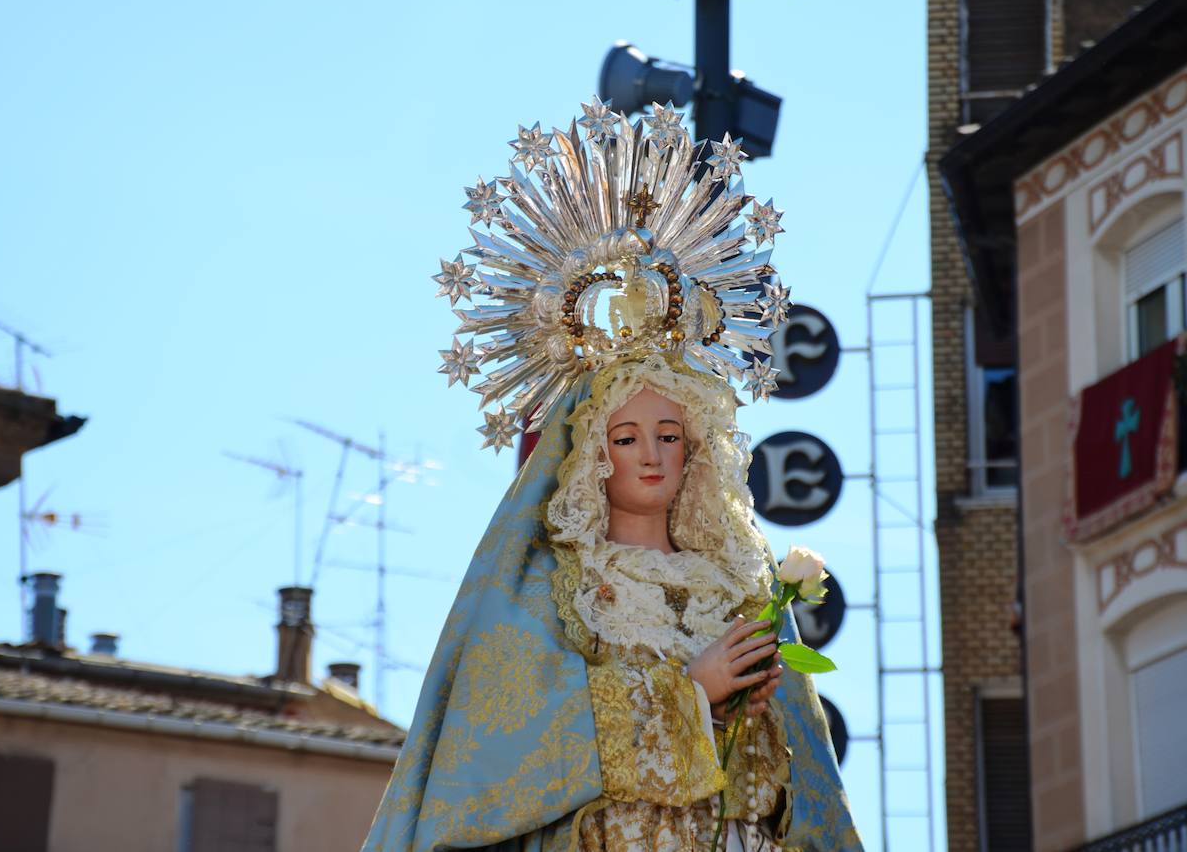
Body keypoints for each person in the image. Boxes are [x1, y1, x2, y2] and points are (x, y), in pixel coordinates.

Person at [362, 100, 861, 851]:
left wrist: (755, 721)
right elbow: (501, 753)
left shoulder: (740, 582)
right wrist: (691, 693)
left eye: (670, 434)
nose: (653, 454)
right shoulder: (547, 589)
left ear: (698, 448)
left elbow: (809, 787)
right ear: (595, 453)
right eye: (628, 437)